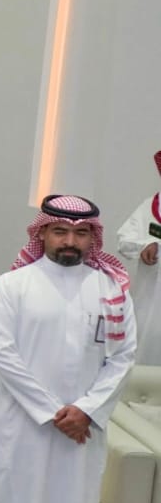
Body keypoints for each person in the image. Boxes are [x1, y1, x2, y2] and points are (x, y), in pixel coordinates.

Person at [0, 195, 136, 503]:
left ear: (92, 238)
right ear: (42, 234)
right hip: (21, 428)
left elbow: (122, 358)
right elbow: (1, 354)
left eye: (81, 233)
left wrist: (86, 410)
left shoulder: (111, 291)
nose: (70, 241)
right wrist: (54, 412)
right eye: (60, 231)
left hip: (81, 434)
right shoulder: (12, 286)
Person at [116, 151, 161, 365]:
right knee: (144, 356)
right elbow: (124, 239)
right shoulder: (148, 208)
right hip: (149, 304)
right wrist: (143, 245)